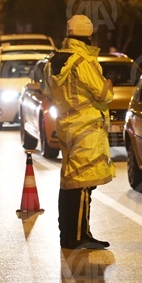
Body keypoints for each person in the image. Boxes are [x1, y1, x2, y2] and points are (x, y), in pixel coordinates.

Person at [45, 14, 115, 250]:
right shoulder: (82, 62)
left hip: (66, 126)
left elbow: (50, 92)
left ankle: (71, 234)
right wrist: (107, 86)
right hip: (86, 128)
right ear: (89, 36)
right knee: (82, 184)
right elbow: (103, 95)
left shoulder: (53, 61)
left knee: (70, 181)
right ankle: (77, 236)